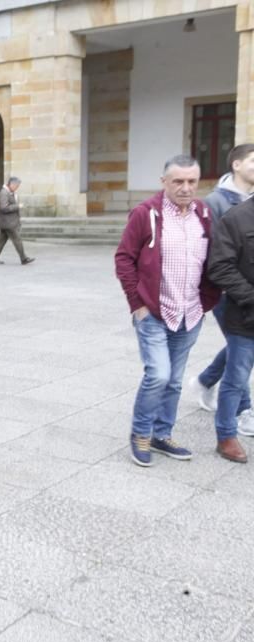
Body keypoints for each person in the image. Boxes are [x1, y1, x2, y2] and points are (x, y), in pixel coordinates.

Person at [115, 155, 219, 467]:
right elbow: (124, 259)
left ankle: (162, 434)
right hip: (154, 313)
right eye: (178, 181)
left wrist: (206, 301)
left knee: (174, 379)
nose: (186, 188)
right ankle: (141, 434)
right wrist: (138, 305)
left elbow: (214, 260)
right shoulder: (145, 214)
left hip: (191, 312)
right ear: (164, 182)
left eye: (191, 181)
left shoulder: (204, 213)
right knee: (158, 374)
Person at [189, 143, 254, 425]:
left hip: (246, 289)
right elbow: (213, 254)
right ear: (236, 165)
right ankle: (243, 411)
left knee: (242, 347)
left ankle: (205, 380)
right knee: (242, 351)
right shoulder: (215, 202)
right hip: (226, 291)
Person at [205, 195, 254, 464]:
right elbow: (219, 267)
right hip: (246, 317)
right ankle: (226, 435)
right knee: (236, 379)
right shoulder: (236, 218)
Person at [0, 176, 34, 265]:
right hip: (8, 223)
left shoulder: (8, 192)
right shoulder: (4, 193)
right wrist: (17, 206)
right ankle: (23, 258)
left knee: (1, 241)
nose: (17, 187)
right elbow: (3, 208)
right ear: (12, 184)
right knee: (17, 240)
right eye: (17, 186)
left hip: (7, 222)